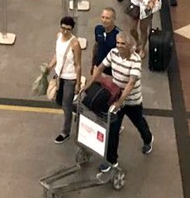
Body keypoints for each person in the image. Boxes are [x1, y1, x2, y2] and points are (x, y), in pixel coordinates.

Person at [85, 32, 153, 178]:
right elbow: (101, 68)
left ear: (130, 46)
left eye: (123, 44)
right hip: (116, 98)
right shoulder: (113, 53)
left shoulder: (135, 61)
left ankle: (148, 139)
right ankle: (111, 160)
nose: (119, 46)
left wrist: (119, 103)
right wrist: (88, 84)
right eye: (118, 43)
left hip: (132, 101)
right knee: (113, 130)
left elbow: (131, 84)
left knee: (139, 123)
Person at [46, 16, 82, 144]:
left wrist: (77, 83)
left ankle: (65, 131)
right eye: (63, 28)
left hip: (69, 79)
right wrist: (50, 66)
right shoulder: (58, 37)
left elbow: (78, 64)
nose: (65, 31)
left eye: (68, 29)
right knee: (58, 100)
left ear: (72, 29)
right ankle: (78, 111)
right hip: (59, 76)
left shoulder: (75, 44)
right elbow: (57, 54)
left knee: (66, 106)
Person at [91, 7, 120, 75]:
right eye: (103, 17)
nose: (104, 20)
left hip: (111, 69)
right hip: (98, 65)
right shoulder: (98, 29)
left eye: (107, 18)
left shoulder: (118, 35)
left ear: (113, 19)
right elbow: (96, 46)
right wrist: (93, 64)